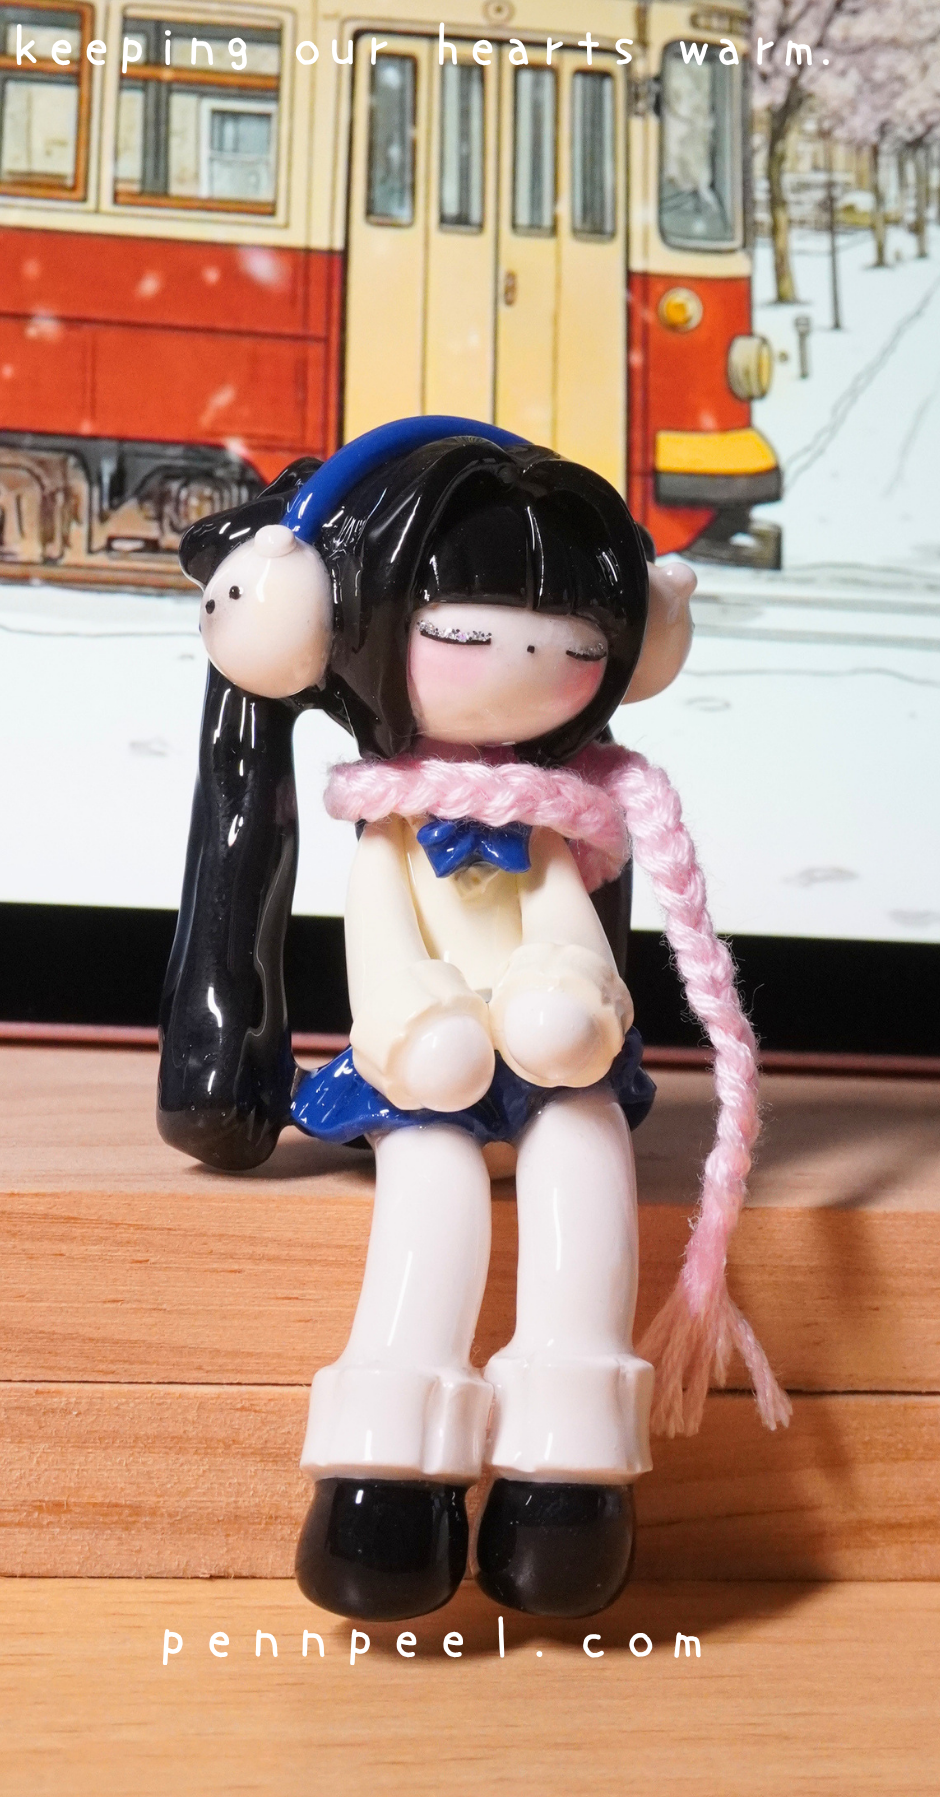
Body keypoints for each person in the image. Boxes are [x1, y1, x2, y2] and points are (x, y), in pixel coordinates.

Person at [160, 418, 786, 1621]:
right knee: (429, 1192)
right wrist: (411, 1017)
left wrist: (570, 988)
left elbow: (561, 922)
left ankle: (571, 1474)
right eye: (465, 634)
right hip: (430, 1056)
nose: (533, 663)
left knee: (584, 1164)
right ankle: (386, 1475)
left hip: (550, 1051)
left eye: (578, 645)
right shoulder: (394, 832)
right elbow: (384, 937)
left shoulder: (552, 823)